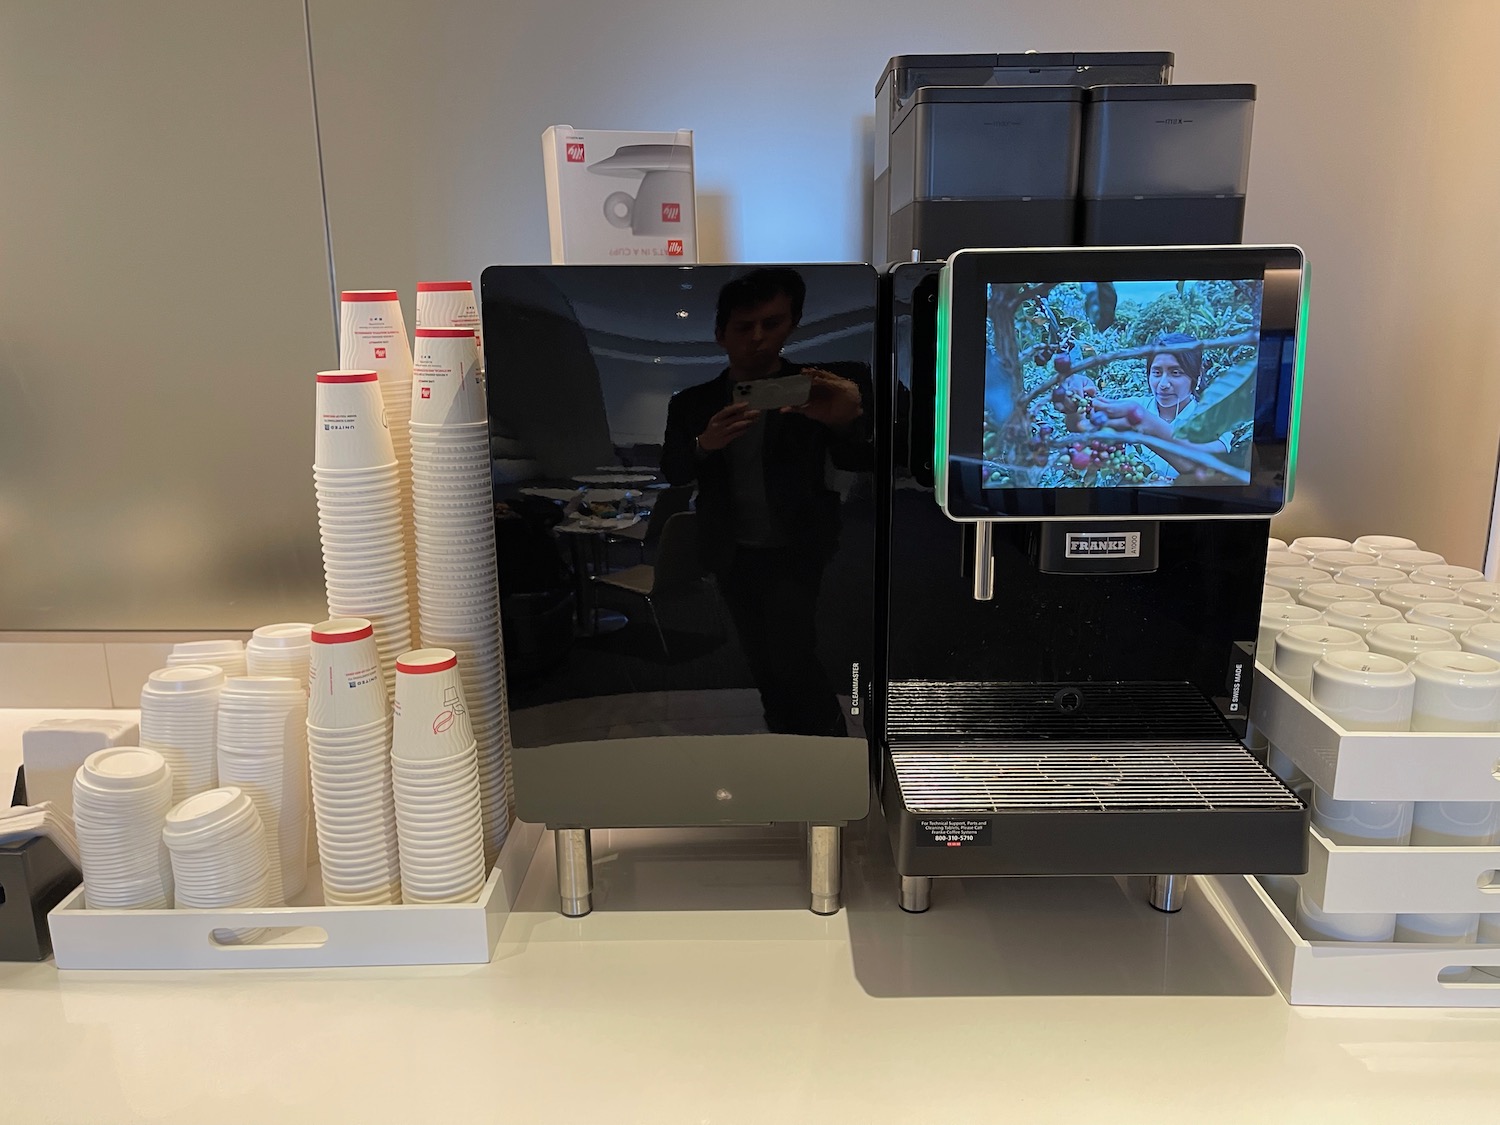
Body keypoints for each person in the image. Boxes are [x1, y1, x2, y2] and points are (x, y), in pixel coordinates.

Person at [659, 268, 868, 737]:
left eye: (772, 324)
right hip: (731, 549)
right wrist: (704, 444)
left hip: (799, 544)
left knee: (792, 650)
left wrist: (843, 420)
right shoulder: (693, 403)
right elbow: (673, 471)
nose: (758, 338)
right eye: (743, 326)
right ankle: (784, 736)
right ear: (721, 334)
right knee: (757, 652)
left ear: (791, 324)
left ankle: (825, 741)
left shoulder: (818, 388)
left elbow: (863, 459)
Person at [1062, 332, 1242, 480]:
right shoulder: (1135, 405)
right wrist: (1075, 402)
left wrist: (1145, 423)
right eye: (1157, 372)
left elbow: (1208, 462)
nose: (1163, 383)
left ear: (1197, 376)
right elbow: (1080, 425)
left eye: (1175, 372)